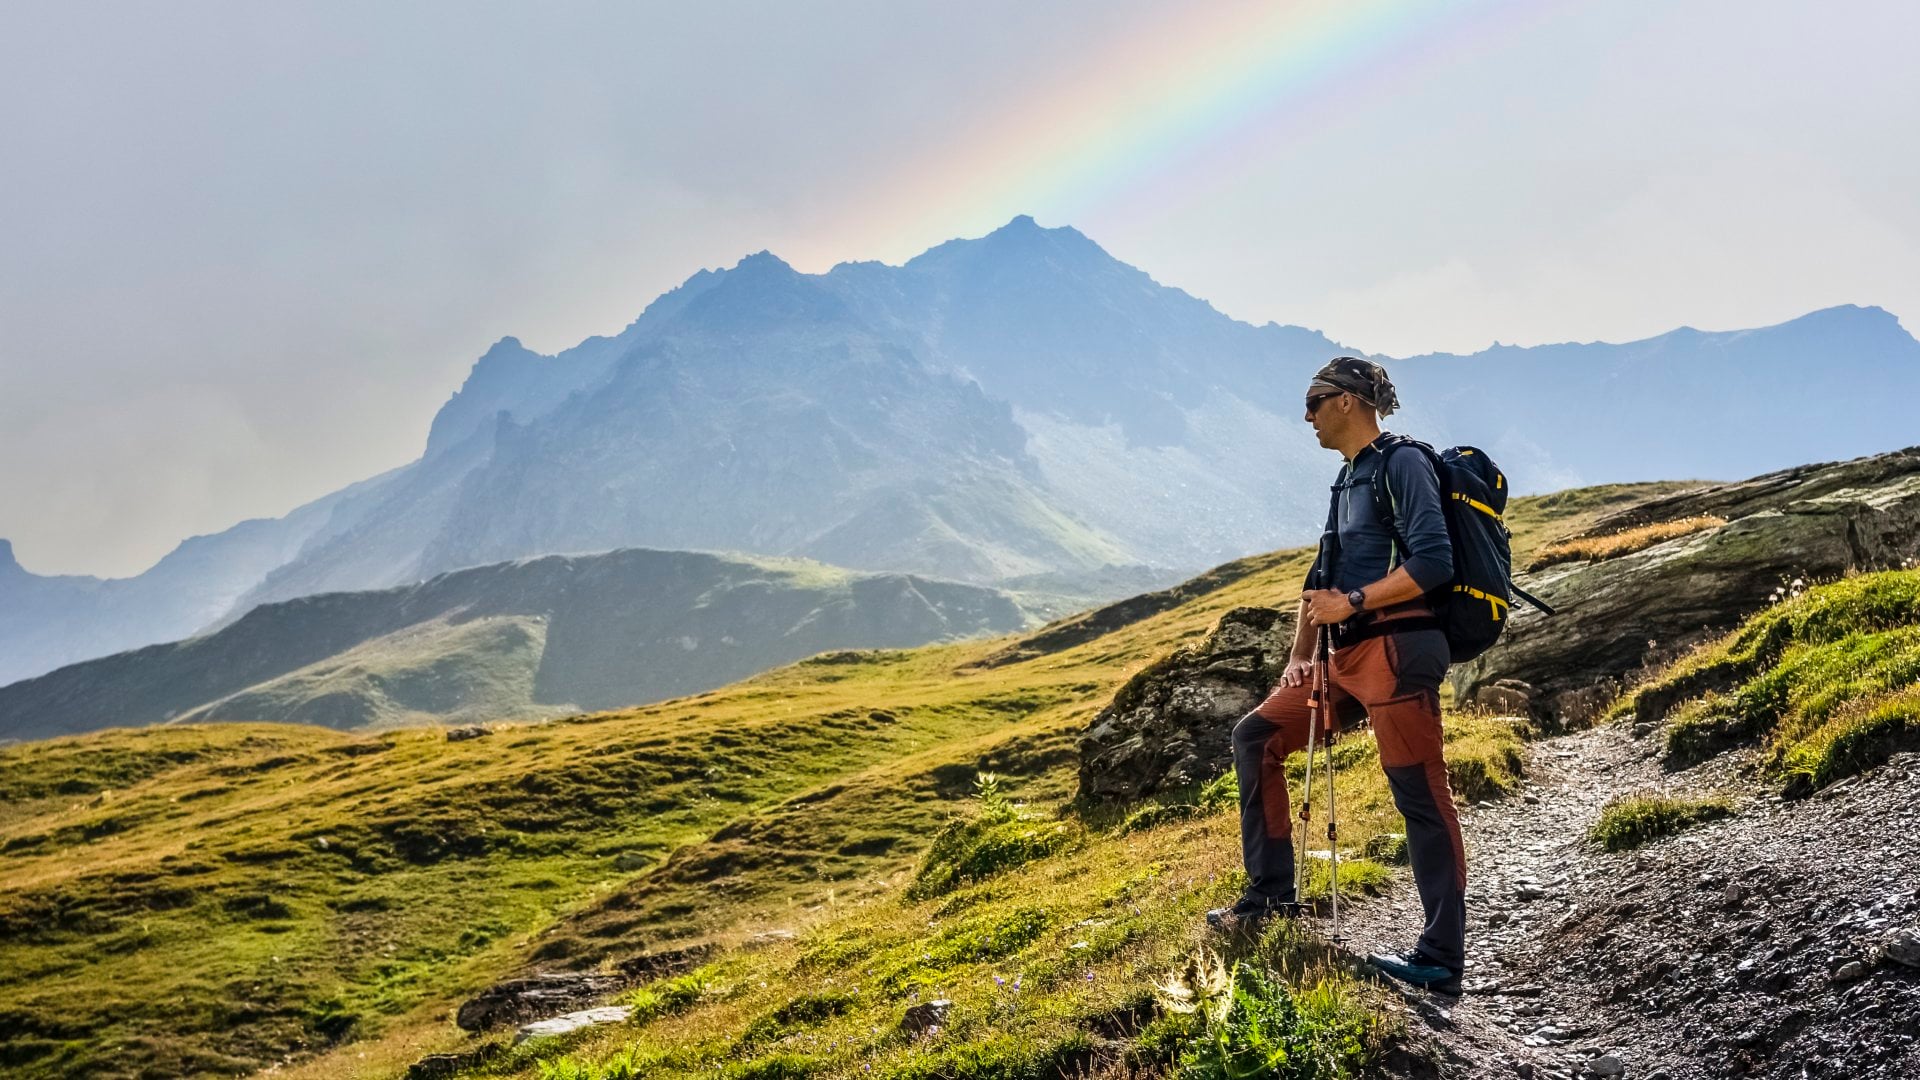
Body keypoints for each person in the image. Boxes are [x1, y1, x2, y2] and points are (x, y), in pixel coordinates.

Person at [1205, 355, 1468, 996]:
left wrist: (1352, 605)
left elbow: (1434, 561)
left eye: (1315, 401)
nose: (1307, 415)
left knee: (1417, 792)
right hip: (1340, 659)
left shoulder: (1403, 463)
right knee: (1255, 737)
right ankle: (1270, 899)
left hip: (1398, 652)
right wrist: (1301, 654)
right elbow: (1319, 579)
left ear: (1349, 401)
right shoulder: (1348, 478)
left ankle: (1440, 957)